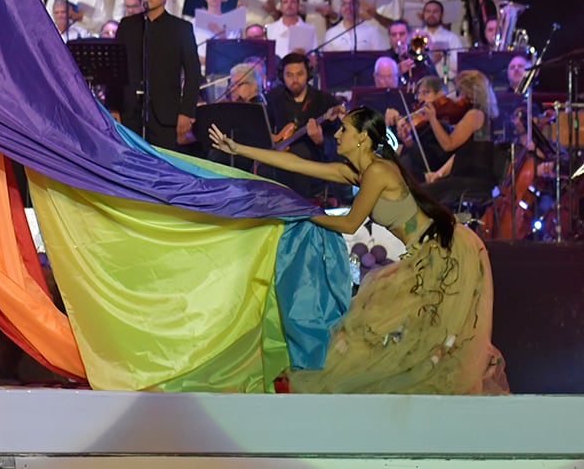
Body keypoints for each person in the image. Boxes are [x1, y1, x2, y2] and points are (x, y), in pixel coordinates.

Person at [208, 107, 506, 394]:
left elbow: (350, 224)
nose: (336, 135)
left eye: (344, 129)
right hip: (424, 253)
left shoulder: (377, 171)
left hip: (444, 252)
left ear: (363, 137)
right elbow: (296, 164)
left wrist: (298, 213)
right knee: (407, 335)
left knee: (421, 336)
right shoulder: (360, 173)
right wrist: (238, 149)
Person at [114, 0, 200, 150]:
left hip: (166, 115)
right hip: (130, 113)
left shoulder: (181, 29)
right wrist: (113, 106)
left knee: (163, 166)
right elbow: (116, 70)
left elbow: (193, 73)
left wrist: (186, 112)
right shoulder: (127, 26)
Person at [263, 53, 342, 200]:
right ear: (282, 76)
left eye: (299, 74)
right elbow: (264, 125)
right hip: (279, 155)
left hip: (311, 158)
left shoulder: (324, 101)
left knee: (300, 153)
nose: (294, 80)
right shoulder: (273, 97)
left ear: (309, 74)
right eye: (289, 75)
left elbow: (337, 140)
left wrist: (320, 141)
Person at [419, 70, 500, 207]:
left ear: (470, 92)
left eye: (460, 92)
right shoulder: (482, 114)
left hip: (473, 180)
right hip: (470, 179)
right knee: (423, 189)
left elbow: (448, 144)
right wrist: (438, 174)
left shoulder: (475, 114)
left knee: (420, 193)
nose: (458, 98)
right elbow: (462, 153)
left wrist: (432, 118)